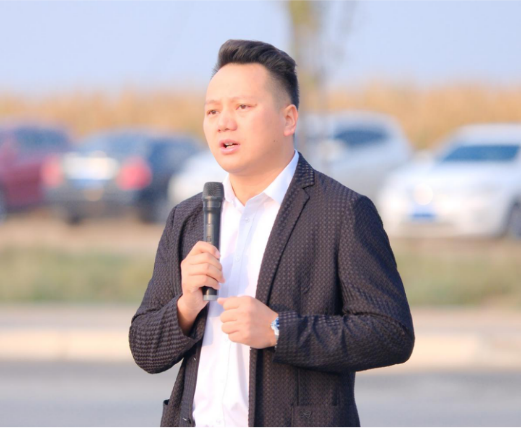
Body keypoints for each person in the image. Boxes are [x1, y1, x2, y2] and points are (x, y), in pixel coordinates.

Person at [129, 39, 415, 428]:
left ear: (288, 119)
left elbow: (391, 333)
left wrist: (280, 330)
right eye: (212, 110)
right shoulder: (188, 217)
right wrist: (184, 308)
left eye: (242, 107)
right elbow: (145, 350)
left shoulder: (342, 212)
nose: (223, 122)